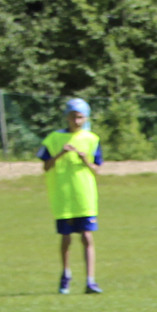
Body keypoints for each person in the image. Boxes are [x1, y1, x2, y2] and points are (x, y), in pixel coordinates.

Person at [40, 98, 103, 294]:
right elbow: (46, 166)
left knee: (87, 236)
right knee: (66, 238)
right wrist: (60, 154)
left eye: (80, 117)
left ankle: (90, 280)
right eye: (73, 117)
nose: (76, 121)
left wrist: (85, 160)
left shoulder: (92, 139)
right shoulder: (54, 138)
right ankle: (66, 275)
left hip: (84, 196)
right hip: (63, 196)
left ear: (86, 118)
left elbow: (97, 170)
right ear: (66, 117)